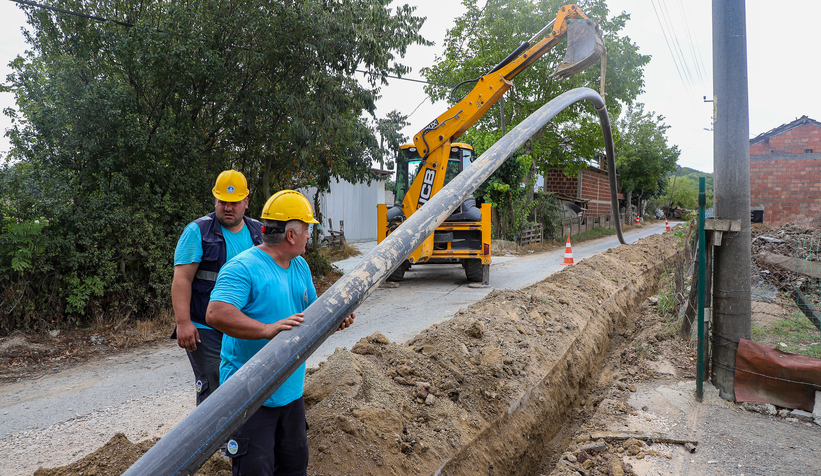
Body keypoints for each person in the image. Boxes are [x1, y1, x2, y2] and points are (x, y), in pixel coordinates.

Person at [206, 189, 354, 475]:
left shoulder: (299, 265)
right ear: (291, 235)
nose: (309, 235)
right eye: (307, 229)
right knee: (256, 469)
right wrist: (265, 329)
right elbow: (216, 313)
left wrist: (334, 321)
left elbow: (311, 314)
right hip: (251, 393)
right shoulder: (243, 268)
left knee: (294, 466)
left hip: (290, 391)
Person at [171, 170, 263, 405]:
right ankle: (212, 441)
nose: (227, 208)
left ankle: (240, 438)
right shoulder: (197, 231)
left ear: (246, 202)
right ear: (215, 200)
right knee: (215, 381)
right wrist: (183, 323)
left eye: (233, 203)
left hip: (244, 323)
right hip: (206, 326)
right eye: (222, 202)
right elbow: (182, 279)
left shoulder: (258, 233)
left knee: (248, 381)